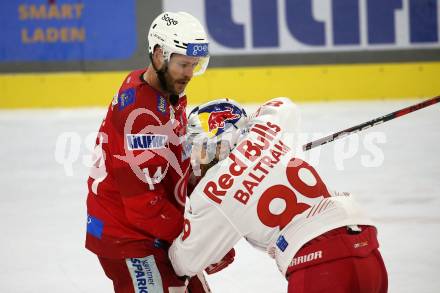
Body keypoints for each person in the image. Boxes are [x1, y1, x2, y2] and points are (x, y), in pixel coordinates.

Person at [168, 97, 388, 292]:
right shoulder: (269, 128)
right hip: (367, 250)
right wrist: (256, 139)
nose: (193, 158)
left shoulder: (211, 194)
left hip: (319, 267)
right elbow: (284, 105)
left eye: (197, 146)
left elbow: (185, 262)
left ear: (219, 144)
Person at [85, 11, 212, 293]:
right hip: (129, 238)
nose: (190, 74)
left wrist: (208, 157)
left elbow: (171, 159)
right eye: (183, 64)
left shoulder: (162, 90)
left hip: (153, 227)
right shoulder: (140, 114)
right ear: (158, 55)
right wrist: (199, 237)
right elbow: (144, 205)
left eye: (195, 65)